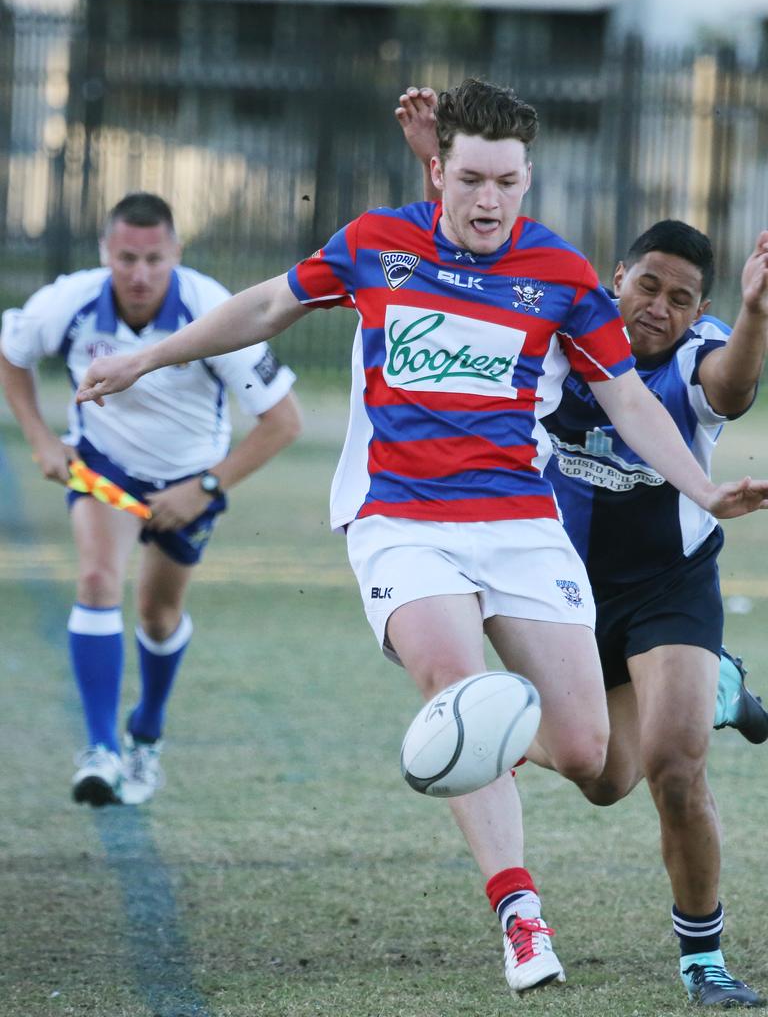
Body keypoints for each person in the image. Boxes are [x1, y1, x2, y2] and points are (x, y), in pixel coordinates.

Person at [74, 81, 768, 999]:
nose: (490, 200)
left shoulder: (558, 275)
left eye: (508, 182)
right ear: (442, 171)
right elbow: (264, 307)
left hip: (522, 527)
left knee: (595, 763)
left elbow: (632, 401)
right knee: (460, 692)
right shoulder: (374, 244)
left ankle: (700, 686)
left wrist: (704, 487)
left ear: (528, 181)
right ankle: (520, 913)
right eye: (472, 178)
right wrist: (148, 355)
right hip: (402, 521)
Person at [395, 85, 768, 1006]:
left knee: (676, 771)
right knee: (602, 778)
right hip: (558, 590)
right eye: (648, 286)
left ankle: (704, 961)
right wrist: (430, 167)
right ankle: (723, 690)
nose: (660, 309)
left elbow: (728, 388)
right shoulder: (557, 330)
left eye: (683, 299)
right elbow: (473, 242)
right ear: (615, 279)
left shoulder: (698, 354)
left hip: (670, 588)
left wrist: (756, 312)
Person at [0, 192, 301, 808]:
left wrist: (205, 487)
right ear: (106, 252)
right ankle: (100, 751)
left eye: (153, 259)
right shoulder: (69, 303)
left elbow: (283, 422)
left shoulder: (214, 311)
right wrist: (40, 440)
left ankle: (147, 733)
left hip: (189, 480)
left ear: (176, 255)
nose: (139, 274)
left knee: (157, 616)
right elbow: (12, 355)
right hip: (104, 468)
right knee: (95, 580)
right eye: (126, 258)